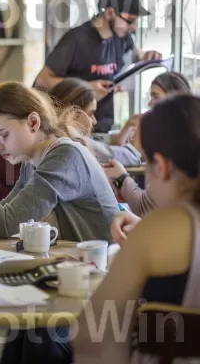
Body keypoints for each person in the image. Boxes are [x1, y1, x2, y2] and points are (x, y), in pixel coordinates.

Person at [73, 94, 200, 363]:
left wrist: (146, 235)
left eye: (145, 163)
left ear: (162, 167)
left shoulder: (158, 231)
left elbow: (90, 337)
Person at [0, 81, 119, 242]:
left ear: (33, 122)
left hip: (103, 268)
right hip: (75, 264)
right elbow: (5, 217)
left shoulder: (66, 156)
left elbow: (3, 224)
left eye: (2, 136)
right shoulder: (31, 162)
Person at [34, 0, 162, 133]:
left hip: (102, 127)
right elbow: (42, 80)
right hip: (73, 130)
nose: (133, 27)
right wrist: (86, 88)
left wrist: (146, 56)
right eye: (130, 21)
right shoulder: (76, 40)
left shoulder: (121, 36)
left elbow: (134, 52)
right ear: (110, 13)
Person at [103, 71, 192, 217]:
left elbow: (145, 207)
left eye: (155, 96)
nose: (149, 103)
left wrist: (122, 178)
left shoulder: (174, 148)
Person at [50, 77, 143, 166]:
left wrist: (127, 128)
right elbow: (129, 157)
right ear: (72, 115)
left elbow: (102, 146)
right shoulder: (76, 143)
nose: (94, 121)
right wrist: (138, 141)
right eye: (90, 114)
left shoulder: (49, 137)